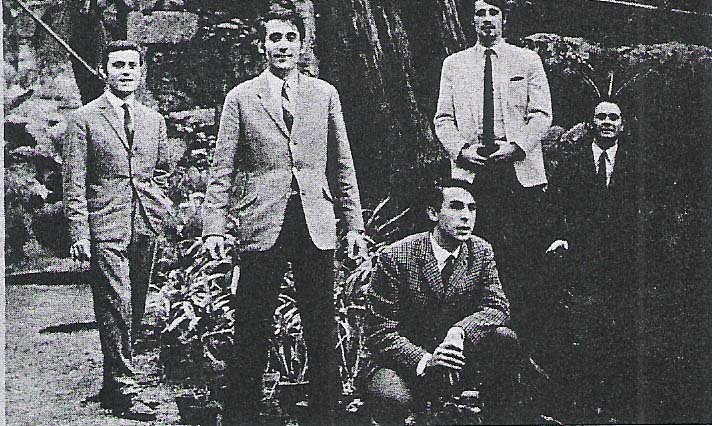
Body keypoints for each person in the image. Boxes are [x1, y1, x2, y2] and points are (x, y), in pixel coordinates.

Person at [201, 5, 367, 425]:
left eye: (290, 37)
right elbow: (222, 168)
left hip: (315, 219)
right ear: (262, 46)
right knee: (252, 325)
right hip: (263, 221)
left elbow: (342, 163)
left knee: (321, 325)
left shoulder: (324, 94)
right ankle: (241, 417)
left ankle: (325, 416)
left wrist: (354, 225)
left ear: (302, 44)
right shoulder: (241, 97)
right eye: (274, 38)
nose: (283, 46)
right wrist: (214, 227)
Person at [63, 40, 175, 419]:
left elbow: (161, 171)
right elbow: (74, 182)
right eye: (117, 65)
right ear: (104, 71)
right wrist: (80, 232)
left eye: (132, 65)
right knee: (116, 304)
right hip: (104, 224)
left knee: (136, 305)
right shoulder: (84, 120)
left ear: (141, 72)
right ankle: (126, 389)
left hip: (145, 224)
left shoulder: (153, 120)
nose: (125, 72)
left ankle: (113, 384)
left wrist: (158, 208)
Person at [433, 0, 553, 342]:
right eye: (480, 13)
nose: (487, 19)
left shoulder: (526, 60)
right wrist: (462, 150)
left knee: (521, 260)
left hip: (517, 173)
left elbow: (542, 114)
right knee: (471, 257)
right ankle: (473, 340)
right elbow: (443, 119)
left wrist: (515, 147)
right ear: (472, 20)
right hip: (472, 174)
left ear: (504, 18)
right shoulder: (454, 64)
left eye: (493, 12)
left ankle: (522, 343)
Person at [363, 180, 529, 424]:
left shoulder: (480, 251)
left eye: (472, 208)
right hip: (405, 363)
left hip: (457, 358)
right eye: (456, 207)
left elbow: (497, 306)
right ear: (433, 213)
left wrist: (460, 332)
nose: (466, 217)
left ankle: (497, 418)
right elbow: (380, 331)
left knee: (504, 338)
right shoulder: (397, 256)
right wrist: (426, 359)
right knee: (391, 397)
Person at [545, 100, 641, 422]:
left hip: (625, 264)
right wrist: (559, 237)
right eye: (601, 117)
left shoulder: (636, 164)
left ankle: (615, 405)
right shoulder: (572, 163)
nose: (607, 122)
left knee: (620, 333)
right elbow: (555, 206)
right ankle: (581, 405)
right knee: (582, 333)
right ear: (591, 123)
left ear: (622, 124)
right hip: (581, 262)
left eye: (614, 117)